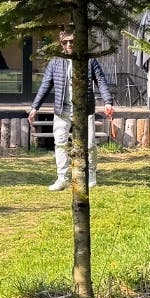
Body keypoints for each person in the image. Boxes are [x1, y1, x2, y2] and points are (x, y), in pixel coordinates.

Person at [27, 30, 115, 190]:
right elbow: (45, 84)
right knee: (60, 143)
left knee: (89, 144)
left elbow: (101, 80)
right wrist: (35, 107)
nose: (69, 44)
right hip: (62, 110)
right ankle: (62, 178)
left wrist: (108, 102)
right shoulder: (55, 61)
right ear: (61, 44)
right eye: (65, 42)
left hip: (84, 109)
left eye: (72, 41)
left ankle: (91, 175)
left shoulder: (89, 61)